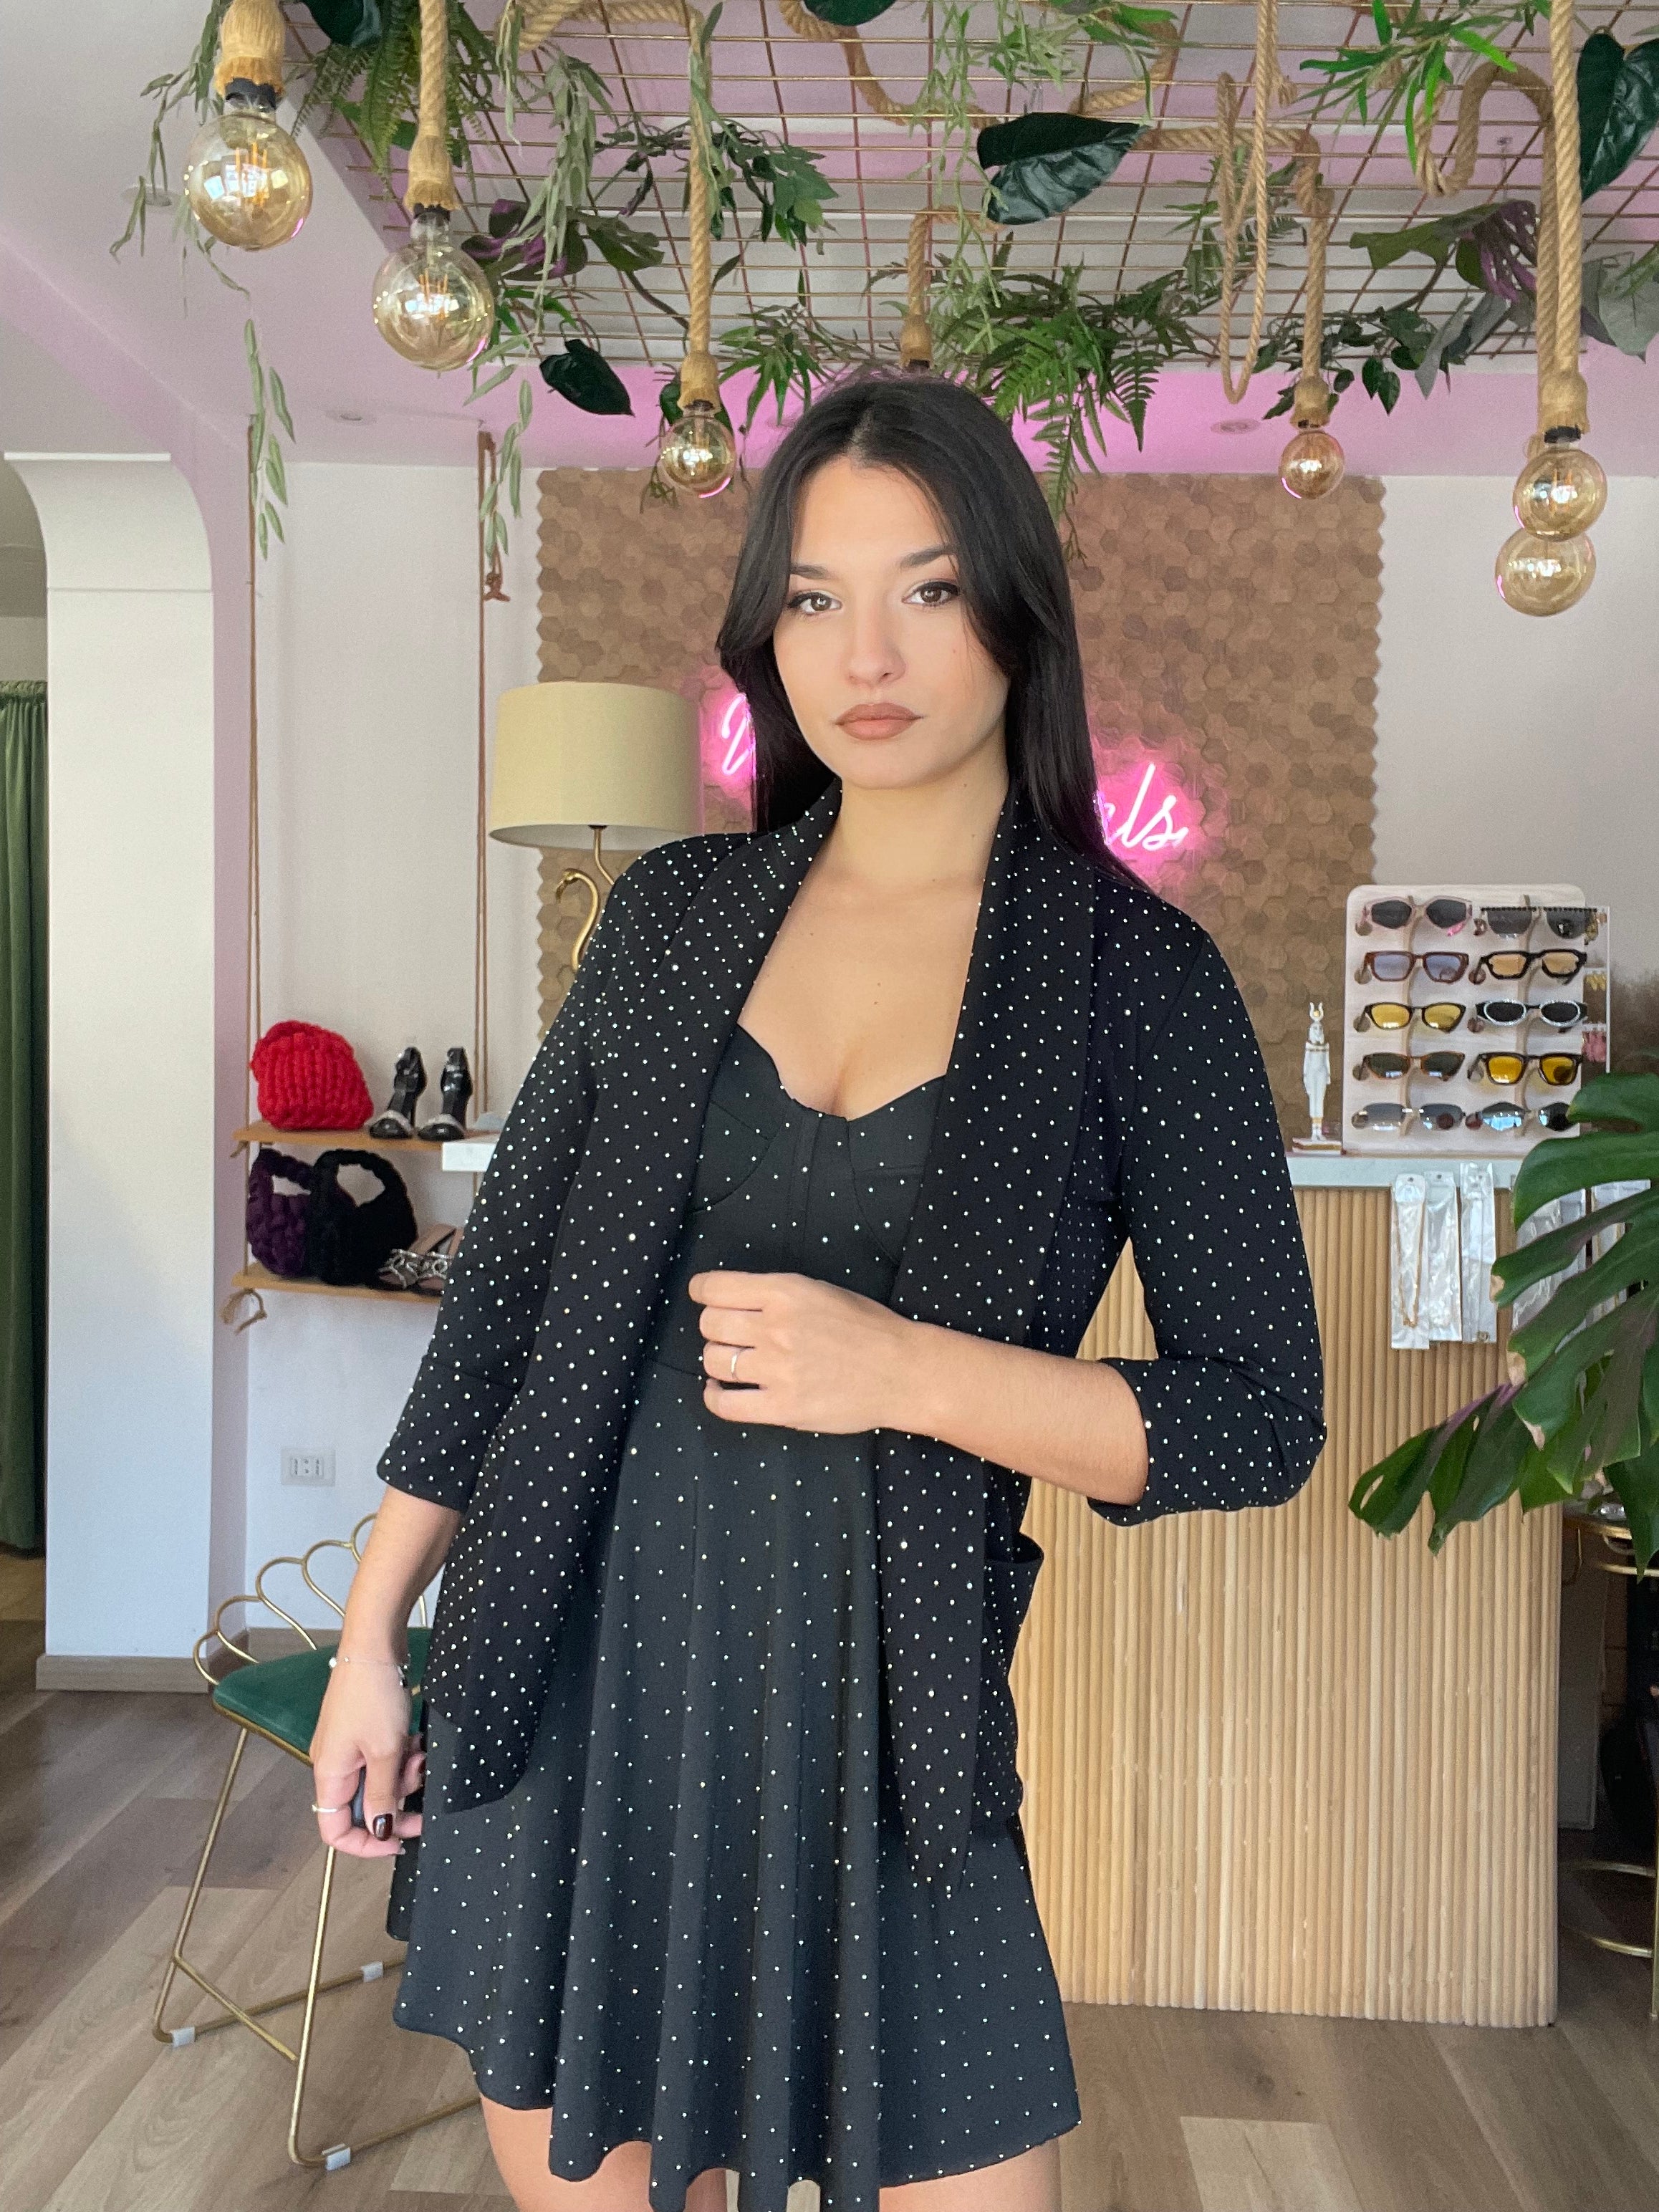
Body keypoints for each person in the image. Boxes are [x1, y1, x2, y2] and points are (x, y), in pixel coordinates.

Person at [309, 372, 1327, 2212]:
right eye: (814, 597)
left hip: (889, 1734)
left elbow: (1259, 1418)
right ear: (764, 635)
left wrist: (913, 1368)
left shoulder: (1134, 975)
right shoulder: (672, 917)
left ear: (1015, 610)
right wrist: (376, 1633)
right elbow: (504, 1310)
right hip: (579, 1685)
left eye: (927, 589)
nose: (869, 653)